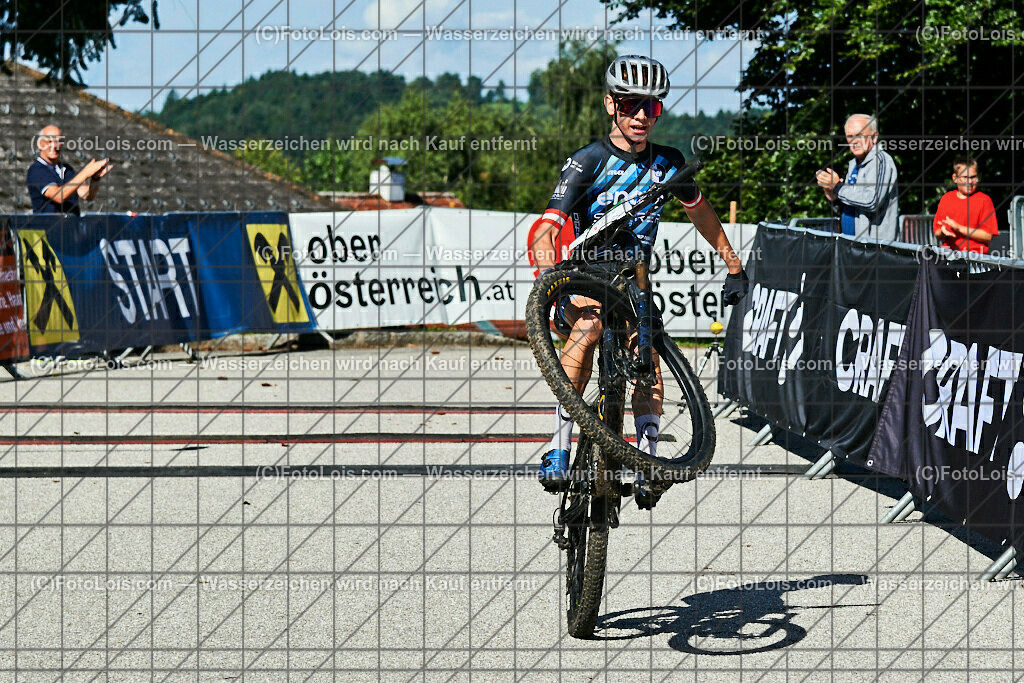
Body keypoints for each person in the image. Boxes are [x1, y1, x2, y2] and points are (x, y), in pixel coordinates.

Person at [529, 55, 749, 505]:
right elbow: (549, 227)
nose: (643, 116)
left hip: (635, 280)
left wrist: (733, 264)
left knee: (644, 351)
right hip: (586, 276)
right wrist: (549, 277)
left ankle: (649, 457)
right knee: (588, 328)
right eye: (632, 105)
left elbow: (701, 213)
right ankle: (558, 445)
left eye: (653, 107)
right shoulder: (587, 160)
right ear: (612, 104)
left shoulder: (669, 163)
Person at [815, 114, 899, 240]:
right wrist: (834, 198)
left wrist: (838, 187)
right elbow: (852, 204)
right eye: (850, 136)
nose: (854, 141)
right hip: (851, 245)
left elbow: (872, 201)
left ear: (874, 136)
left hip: (875, 250)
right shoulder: (854, 164)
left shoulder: (881, 161)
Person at [26, 125, 111, 215]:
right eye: (49, 141)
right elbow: (58, 196)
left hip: (72, 226)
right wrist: (85, 173)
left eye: (58, 141)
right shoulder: (36, 170)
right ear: (40, 144)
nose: (54, 146)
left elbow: (86, 195)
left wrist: (95, 179)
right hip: (49, 227)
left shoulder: (66, 169)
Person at [932, 156, 998, 253]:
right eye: (965, 177)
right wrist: (942, 231)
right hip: (948, 256)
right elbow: (937, 233)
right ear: (955, 178)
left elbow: (987, 236)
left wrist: (959, 228)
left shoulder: (984, 200)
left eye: (973, 177)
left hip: (976, 258)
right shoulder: (946, 198)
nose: (970, 182)